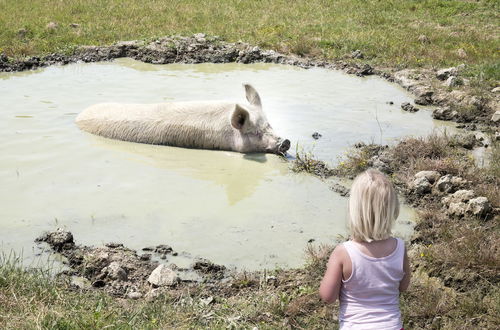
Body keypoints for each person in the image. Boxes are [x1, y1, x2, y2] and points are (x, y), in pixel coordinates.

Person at [319, 169, 411, 329]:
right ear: (392, 211)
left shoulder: (343, 252)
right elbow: (403, 286)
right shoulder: (400, 248)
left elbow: (328, 297)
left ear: (354, 211)